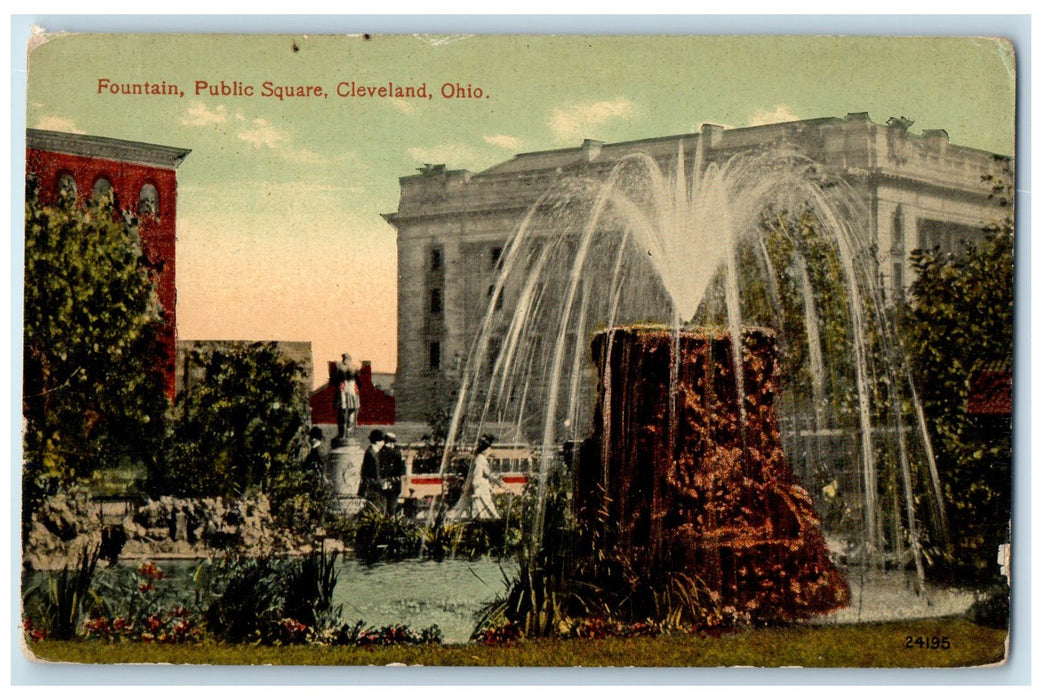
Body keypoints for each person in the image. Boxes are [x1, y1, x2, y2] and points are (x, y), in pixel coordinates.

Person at [379, 432, 406, 515]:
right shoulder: (397, 452)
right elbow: (402, 470)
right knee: (392, 507)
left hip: (383, 482)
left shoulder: (380, 452)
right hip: (395, 484)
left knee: (382, 506)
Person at [334, 353, 361, 439]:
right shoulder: (354, 367)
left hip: (343, 388)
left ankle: (342, 433)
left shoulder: (340, 367)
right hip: (352, 388)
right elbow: (359, 382)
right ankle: (349, 432)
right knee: (352, 411)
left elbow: (336, 381)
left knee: (341, 412)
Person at [358, 428, 385, 506]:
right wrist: (381, 483)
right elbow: (374, 472)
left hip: (374, 487)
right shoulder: (371, 453)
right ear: (378, 441)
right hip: (373, 488)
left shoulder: (373, 452)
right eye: (382, 441)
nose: (383, 443)